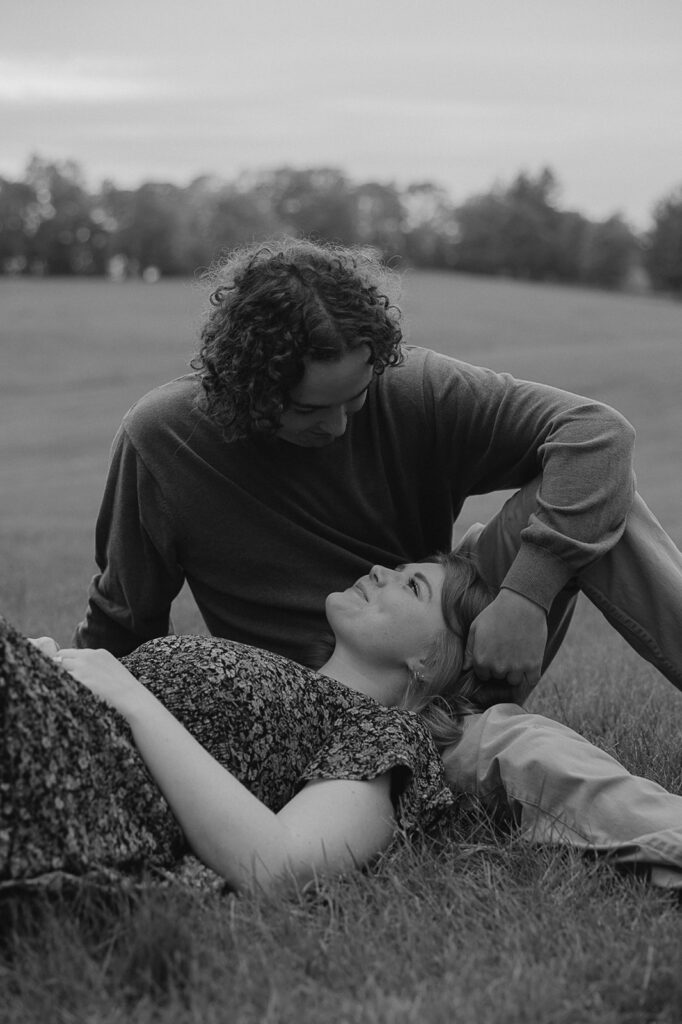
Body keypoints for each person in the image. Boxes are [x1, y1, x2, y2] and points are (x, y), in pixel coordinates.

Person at [73, 236, 682, 708]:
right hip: (306, 710)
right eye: (309, 409)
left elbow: (597, 433)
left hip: (444, 664)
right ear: (244, 388)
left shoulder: (415, 388)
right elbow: (124, 623)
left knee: (599, 495)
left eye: (356, 396)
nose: (339, 426)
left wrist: (526, 595)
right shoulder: (163, 439)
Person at [3, 555, 682, 894]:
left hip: (70, 769)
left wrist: (125, 691)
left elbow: (275, 863)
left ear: (428, 660)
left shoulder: (384, 738)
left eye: (412, 587)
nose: (381, 570)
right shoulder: (296, 684)